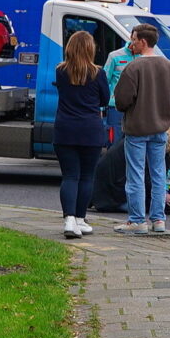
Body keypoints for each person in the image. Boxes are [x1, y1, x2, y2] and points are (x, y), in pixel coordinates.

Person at [111, 22, 170, 234]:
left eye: (133, 39)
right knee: (159, 175)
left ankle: (137, 221)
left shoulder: (133, 67)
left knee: (135, 175)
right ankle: (159, 220)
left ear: (143, 41)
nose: (131, 44)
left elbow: (121, 100)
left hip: (136, 129)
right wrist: (165, 114)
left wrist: (131, 110)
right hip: (160, 129)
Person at [52, 27, 110, 238]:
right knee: (86, 177)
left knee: (70, 176)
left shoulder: (60, 71)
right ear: (90, 49)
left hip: (65, 129)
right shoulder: (98, 73)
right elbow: (105, 99)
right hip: (90, 130)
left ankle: (68, 219)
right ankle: (79, 218)